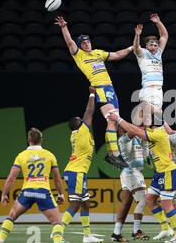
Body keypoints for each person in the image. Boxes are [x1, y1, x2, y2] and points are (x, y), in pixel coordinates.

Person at [55, 15, 132, 169]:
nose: (86, 44)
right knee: (112, 119)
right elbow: (70, 42)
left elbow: (116, 55)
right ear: (80, 46)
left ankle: (113, 153)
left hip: (110, 88)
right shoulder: (79, 56)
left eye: (88, 41)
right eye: (83, 43)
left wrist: (131, 48)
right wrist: (64, 27)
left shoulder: (98, 53)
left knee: (114, 121)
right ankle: (114, 154)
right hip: (100, 88)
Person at [107, 110, 176, 243]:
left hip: (164, 171)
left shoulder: (155, 134)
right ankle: (143, 230)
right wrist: (119, 120)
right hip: (134, 173)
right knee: (147, 200)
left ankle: (175, 232)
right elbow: (134, 131)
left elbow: (140, 135)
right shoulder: (124, 139)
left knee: (147, 200)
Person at [0, 128, 68, 243]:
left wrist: (4, 194)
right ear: (41, 140)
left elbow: (11, 177)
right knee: (57, 222)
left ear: (28, 140)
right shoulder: (49, 155)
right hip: (43, 192)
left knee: (11, 216)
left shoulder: (21, 156)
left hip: (27, 192)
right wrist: (61, 194)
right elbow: (57, 179)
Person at [60, 87, 103, 243]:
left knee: (85, 203)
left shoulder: (80, 134)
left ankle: (87, 235)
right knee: (76, 204)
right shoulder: (82, 131)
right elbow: (89, 111)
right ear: (79, 125)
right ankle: (57, 231)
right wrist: (92, 93)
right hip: (76, 172)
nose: (84, 120)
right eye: (81, 120)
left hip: (79, 172)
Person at [111, 127, 149, 242]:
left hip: (131, 173)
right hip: (131, 173)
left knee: (126, 204)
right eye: (125, 127)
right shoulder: (123, 139)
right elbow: (134, 131)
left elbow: (144, 139)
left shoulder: (136, 138)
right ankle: (136, 231)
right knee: (143, 200)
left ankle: (116, 233)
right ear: (121, 131)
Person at [132, 13, 168, 113]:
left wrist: (158, 22)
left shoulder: (159, 53)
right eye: (151, 44)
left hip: (158, 89)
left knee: (157, 116)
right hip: (148, 88)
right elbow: (135, 47)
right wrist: (137, 35)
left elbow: (164, 36)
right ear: (146, 46)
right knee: (146, 115)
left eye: (156, 45)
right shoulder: (143, 53)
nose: (154, 46)